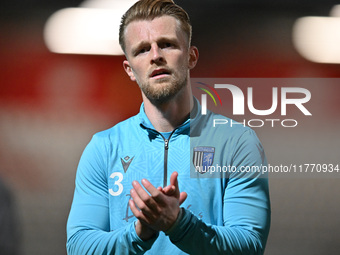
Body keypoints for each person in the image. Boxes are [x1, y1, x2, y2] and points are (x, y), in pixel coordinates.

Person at [66, 0, 271, 254]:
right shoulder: (103, 148)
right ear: (129, 70)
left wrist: (178, 224)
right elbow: (79, 247)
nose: (155, 56)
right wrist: (139, 233)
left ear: (191, 56)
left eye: (167, 44)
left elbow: (249, 245)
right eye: (142, 50)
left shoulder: (236, 142)